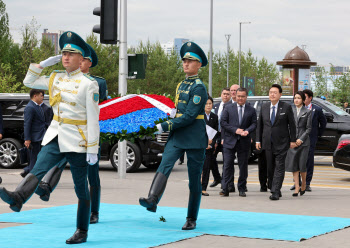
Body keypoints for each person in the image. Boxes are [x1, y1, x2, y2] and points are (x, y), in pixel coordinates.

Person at [0, 31, 100, 244]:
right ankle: (18, 198)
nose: (66, 57)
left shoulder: (88, 84)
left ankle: (82, 230)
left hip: (79, 141)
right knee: (38, 169)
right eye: (63, 53)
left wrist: (93, 148)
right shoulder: (56, 77)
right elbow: (29, 81)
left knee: (80, 188)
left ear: (81, 59)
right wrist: (43, 64)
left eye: (71, 54)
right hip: (56, 134)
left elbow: (93, 119)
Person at [34, 43, 107, 225]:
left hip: (86, 133)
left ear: (88, 62)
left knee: (91, 175)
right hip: (66, 132)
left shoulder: (96, 82)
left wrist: (92, 141)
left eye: (84, 60)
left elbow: (97, 111)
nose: (79, 62)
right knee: (59, 161)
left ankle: (94, 211)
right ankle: (46, 186)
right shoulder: (63, 78)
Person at [139, 41, 208, 231]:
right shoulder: (181, 84)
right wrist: (168, 114)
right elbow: (178, 111)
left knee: (194, 181)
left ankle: (191, 218)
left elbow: (190, 116)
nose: (186, 64)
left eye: (190, 61)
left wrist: (166, 125)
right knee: (165, 165)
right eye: (184, 60)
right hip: (177, 136)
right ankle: (152, 199)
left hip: (194, 138)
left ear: (199, 64)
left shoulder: (199, 87)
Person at [256, 84, 296, 200]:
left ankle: (275, 191)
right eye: (270, 92)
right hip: (267, 142)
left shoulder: (286, 107)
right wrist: (258, 140)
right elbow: (260, 125)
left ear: (280, 95)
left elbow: (292, 125)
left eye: (275, 92)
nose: (272, 94)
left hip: (282, 142)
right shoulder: (264, 107)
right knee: (270, 167)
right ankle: (275, 187)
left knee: (279, 166)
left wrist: (293, 140)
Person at [220, 88, 257, 197]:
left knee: (243, 166)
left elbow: (254, 123)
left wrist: (247, 131)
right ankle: (225, 188)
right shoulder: (228, 108)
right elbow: (223, 123)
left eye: (243, 96)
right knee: (227, 165)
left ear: (246, 97)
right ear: (235, 96)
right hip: (229, 141)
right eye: (238, 96)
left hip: (244, 142)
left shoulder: (251, 110)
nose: (240, 98)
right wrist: (235, 130)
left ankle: (242, 188)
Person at [290, 89, 327, 192]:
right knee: (296, 160)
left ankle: (307, 183)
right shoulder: (295, 109)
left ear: (310, 98)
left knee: (308, 161)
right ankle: (296, 183)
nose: (301, 99)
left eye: (304, 97)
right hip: (296, 139)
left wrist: (317, 134)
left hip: (309, 139)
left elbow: (323, 123)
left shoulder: (317, 110)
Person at [21, 89, 53, 178]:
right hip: (35, 138)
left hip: (41, 136)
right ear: (35, 96)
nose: (42, 97)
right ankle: (31, 178)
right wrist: (27, 139)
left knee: (39, 158)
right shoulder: (30, 107)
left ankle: (33, 176)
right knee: (34, 159)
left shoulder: (38, 106)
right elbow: (27, 124)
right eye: (41, 95)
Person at [285, 91, 312, 196]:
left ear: (303, 100)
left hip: (303, 143)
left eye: (299, 98)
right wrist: (291, 140)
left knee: (302, 165)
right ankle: (297, 186)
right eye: (295, 98)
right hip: (292, 142)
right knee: (293, 165)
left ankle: (304, 184)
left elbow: (309, 128)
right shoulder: (290, 110)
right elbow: (287, 127)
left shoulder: (308, 112)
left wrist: (300, 140)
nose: (296, 100)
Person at [210, 87, 230, 187]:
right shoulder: (216, 106)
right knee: (211, 158)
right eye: (224, 93)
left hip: (226, 136)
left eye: (227, 94)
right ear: (221, 94)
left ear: (230, 96)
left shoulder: (232, 107)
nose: (225, 95)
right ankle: (217, 178)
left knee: (226, 161)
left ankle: (225, 182)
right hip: (215, 135)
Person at [201, 96, 218, 196]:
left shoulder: (214, 117)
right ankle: (195, 186)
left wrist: (211, 143)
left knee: (207, 167)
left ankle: (203, 188)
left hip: (209, 147)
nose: (208, 105)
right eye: (206, 104)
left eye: (210, 104)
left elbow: (216, 132)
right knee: (199, 168)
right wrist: (203, 142)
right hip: (200, 146)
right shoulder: (199, 116)